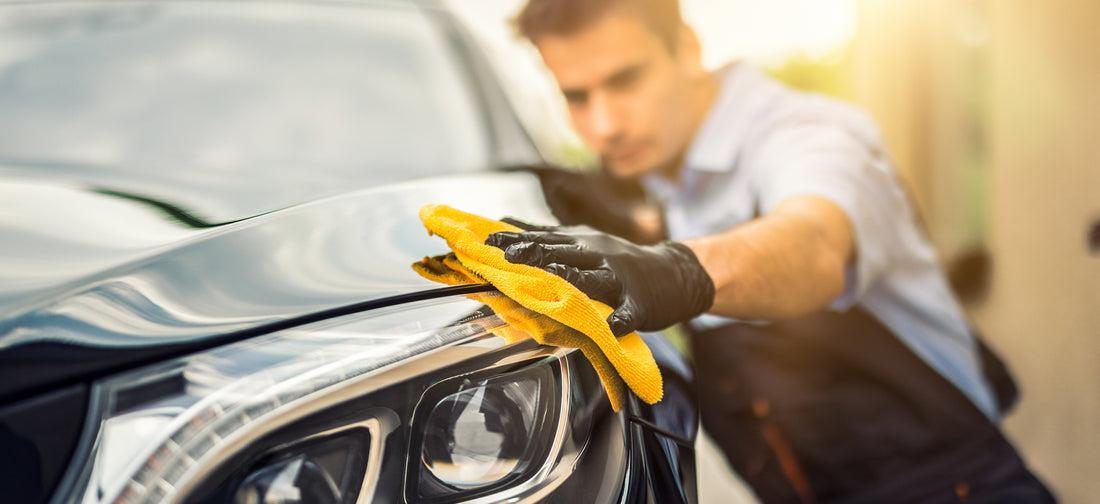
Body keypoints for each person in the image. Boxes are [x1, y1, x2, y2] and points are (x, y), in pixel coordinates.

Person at [486, 0, 1057, 502]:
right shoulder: (669, 177)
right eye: (577, 97)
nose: (605, 125)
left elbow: (814, 245)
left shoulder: (808, 134)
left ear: (686, 48)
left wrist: (675, 272)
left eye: (627, 80)